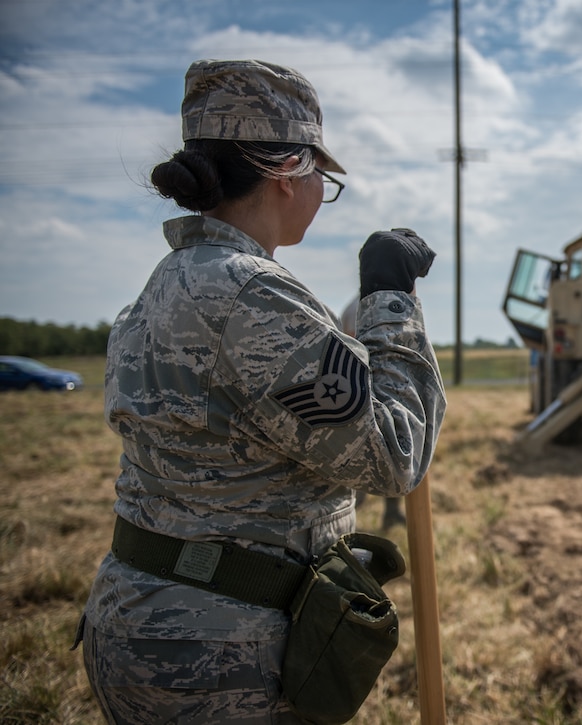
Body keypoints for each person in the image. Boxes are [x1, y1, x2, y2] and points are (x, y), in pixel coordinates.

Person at [73, 59, 446, 724]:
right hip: (223, 662)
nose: (320, 192)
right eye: (322, 179)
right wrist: (389, 298)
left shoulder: (158, 290)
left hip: (135, 625)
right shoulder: (253, 293)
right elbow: (393, 454)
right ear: (287, 169)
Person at [340, 295, 406, 530]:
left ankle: (391, 513)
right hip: (364, 391)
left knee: (395, 455)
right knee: (363, 459)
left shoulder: (376, 306)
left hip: (384, 389)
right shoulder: (357, 309)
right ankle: (350, 519)